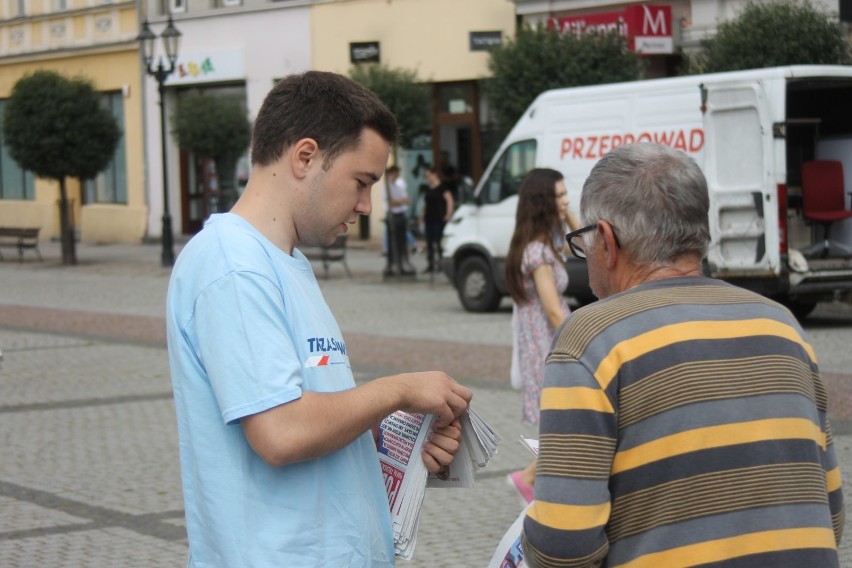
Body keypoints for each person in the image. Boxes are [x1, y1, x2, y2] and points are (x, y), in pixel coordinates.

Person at [165, 71, 473, 568]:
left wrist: (392, 437)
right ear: (306, 157)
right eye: (361, 182)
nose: (365, 206)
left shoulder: (284, 261)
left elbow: (309, 412)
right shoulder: (234, 266)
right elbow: (282, 432)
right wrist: (396, 391)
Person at [522, 143, 845, 567]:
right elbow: (831, 515)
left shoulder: (591, 338)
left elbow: (562, 548)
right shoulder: (783, 326)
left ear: (606, 239)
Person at [503, 168, 580, 504]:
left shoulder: (545, 240)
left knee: (565, 423)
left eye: (565, 194)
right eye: (560, 196)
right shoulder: (537, 251)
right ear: (543, 202)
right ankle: (528, 479)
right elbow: (552, 310)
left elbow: (587, 245)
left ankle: (531, 482)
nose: (566, 200)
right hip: (547, 347)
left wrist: (567, 213)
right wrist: (584, 340)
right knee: (565, 424)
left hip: (547, 343)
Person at [420, 165, 454, 273]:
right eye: (426, 176)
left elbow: (450, 200)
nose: (427, 178)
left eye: (429, 176)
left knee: (439, 242)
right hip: (429, 218)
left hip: (439, 218)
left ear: (435, 175)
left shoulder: (442, 188)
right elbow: (426, 204)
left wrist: (448, 214)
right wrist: (422, 216)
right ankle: (430, 264)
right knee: (429, 242)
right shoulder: (428, 189)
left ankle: (441, 264)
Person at [383, 165, 415, 277]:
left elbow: (407, 200)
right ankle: (392, 265)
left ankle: (402, 263)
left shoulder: (399, 184)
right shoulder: (387, 186)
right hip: (392, 215)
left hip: (401, 215)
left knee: (402, 241)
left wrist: (399, 202)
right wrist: (400, 201)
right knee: (392, 242)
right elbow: (390, 202)